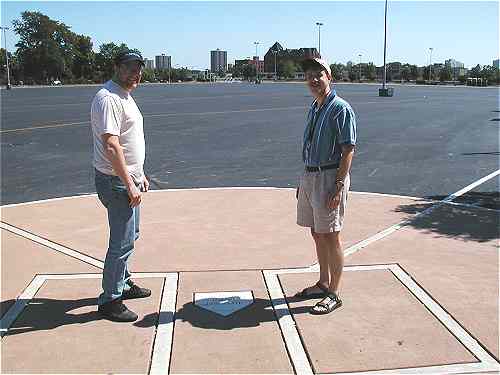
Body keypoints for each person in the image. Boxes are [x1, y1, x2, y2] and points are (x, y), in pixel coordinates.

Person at [91, 50, 151, 322]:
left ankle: (123, 284)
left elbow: (128, 142)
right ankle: (110, 300)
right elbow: (112, 146)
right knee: (121, 242)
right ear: (116, 67)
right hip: (116, 182)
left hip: (127, 179)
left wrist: (139, 174)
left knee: (131, 235)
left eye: (138, 68)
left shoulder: (125, 96)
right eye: (129, 68)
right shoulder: (108, 99)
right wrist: (129, 184)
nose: (135, 73)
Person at [295, 57, 357, 315]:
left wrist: (338, 185)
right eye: (308, 75)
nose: (313, 79)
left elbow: (348, 148)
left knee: (331, 235)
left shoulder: (340, 108)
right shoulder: (315, 107)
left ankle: (334, 292)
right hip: (311, 176)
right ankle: (322, 282)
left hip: (330, 177)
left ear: (329, 77)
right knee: (317, 232)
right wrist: (304, 181)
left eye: (318, 74)